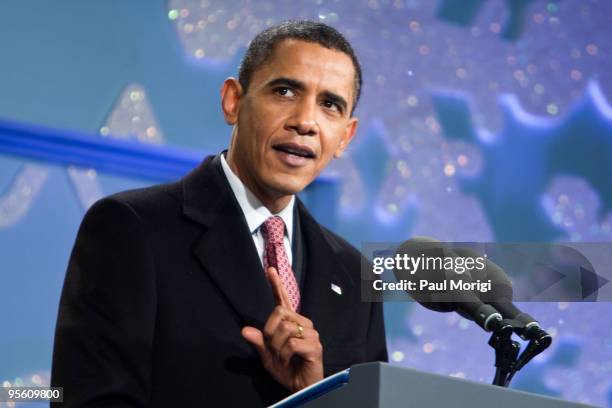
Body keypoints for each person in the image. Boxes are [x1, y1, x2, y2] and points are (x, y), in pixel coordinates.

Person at [51, 20, 387, 407]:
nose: (305, 122)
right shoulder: (131, 228)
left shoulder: (352, 272)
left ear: (346, 136)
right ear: (233, 101)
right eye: (285, 91)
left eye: (330, 105)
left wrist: (311, 396)